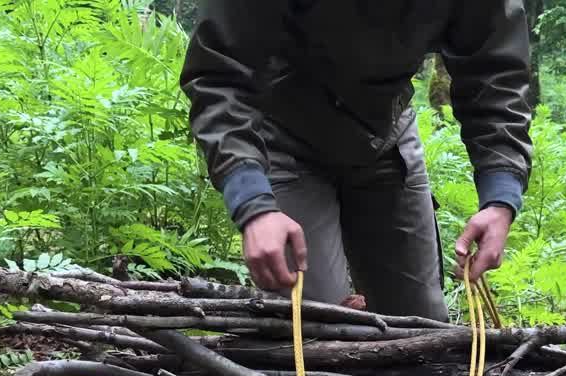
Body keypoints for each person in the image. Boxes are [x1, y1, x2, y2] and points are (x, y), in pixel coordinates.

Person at [179, 1, 534, 322]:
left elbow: (495, 71)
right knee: (313, 326)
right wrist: (253, 204)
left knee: (421, 328)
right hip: (281, 134)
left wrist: (501, 197)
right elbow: (219, 73)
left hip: (385, 133)